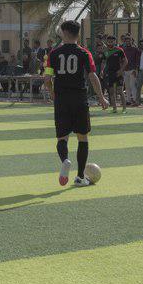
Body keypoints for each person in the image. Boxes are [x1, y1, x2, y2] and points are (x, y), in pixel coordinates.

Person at [44, 21, 107, 187]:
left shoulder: (54, 53)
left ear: (64, 33)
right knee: (82, 137)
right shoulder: (84, 53)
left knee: (62, 137)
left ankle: (65, 160)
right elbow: (92, 76)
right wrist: (101, 97)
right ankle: (80, 177)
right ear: (78, 34)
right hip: (79, 98)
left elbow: (47, 78)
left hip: (62, 99)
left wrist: (52, 93)